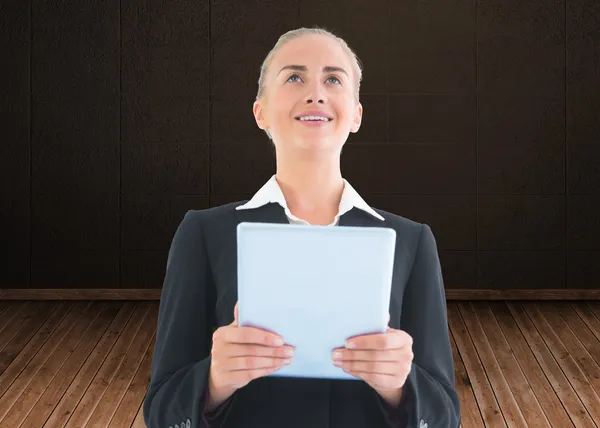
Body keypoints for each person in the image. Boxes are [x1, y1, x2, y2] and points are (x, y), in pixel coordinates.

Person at [143, 27, 461, 428]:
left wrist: (400, 385)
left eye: (333, 79)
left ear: (357, 114)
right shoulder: (203, 234)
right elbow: (161, 411)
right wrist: (214, 380)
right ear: (260, 111)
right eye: (294, 77)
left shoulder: (412, 241)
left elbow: (446, 416)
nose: (316, 93)